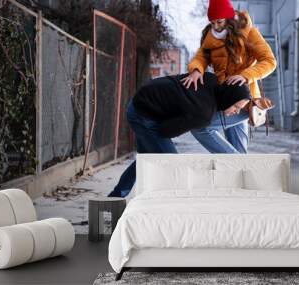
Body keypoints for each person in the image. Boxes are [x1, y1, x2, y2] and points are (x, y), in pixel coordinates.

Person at [107, 72, 251, 197]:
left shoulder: (210, 78)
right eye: (236, 107)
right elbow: (165, 130)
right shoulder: (203, 114)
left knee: (146, 157)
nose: (237, 112)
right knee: (173, 163)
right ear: (229, 98)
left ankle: (115, 196)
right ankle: (170, 206)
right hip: (143, 113)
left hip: (144, 96)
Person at [181, 0, 277, 154]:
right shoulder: (210, 37)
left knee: (201, 128)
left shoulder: (248, 33)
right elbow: (201, 57)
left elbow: (270, 61)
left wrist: (246, 76)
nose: (216, 26)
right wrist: (196, 70)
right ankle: (239, 170)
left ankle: (235, 164)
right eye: (212, 23)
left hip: (244, 101)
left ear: (229, 18)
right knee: (239, 151)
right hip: (225, 100)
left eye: (219, 21)